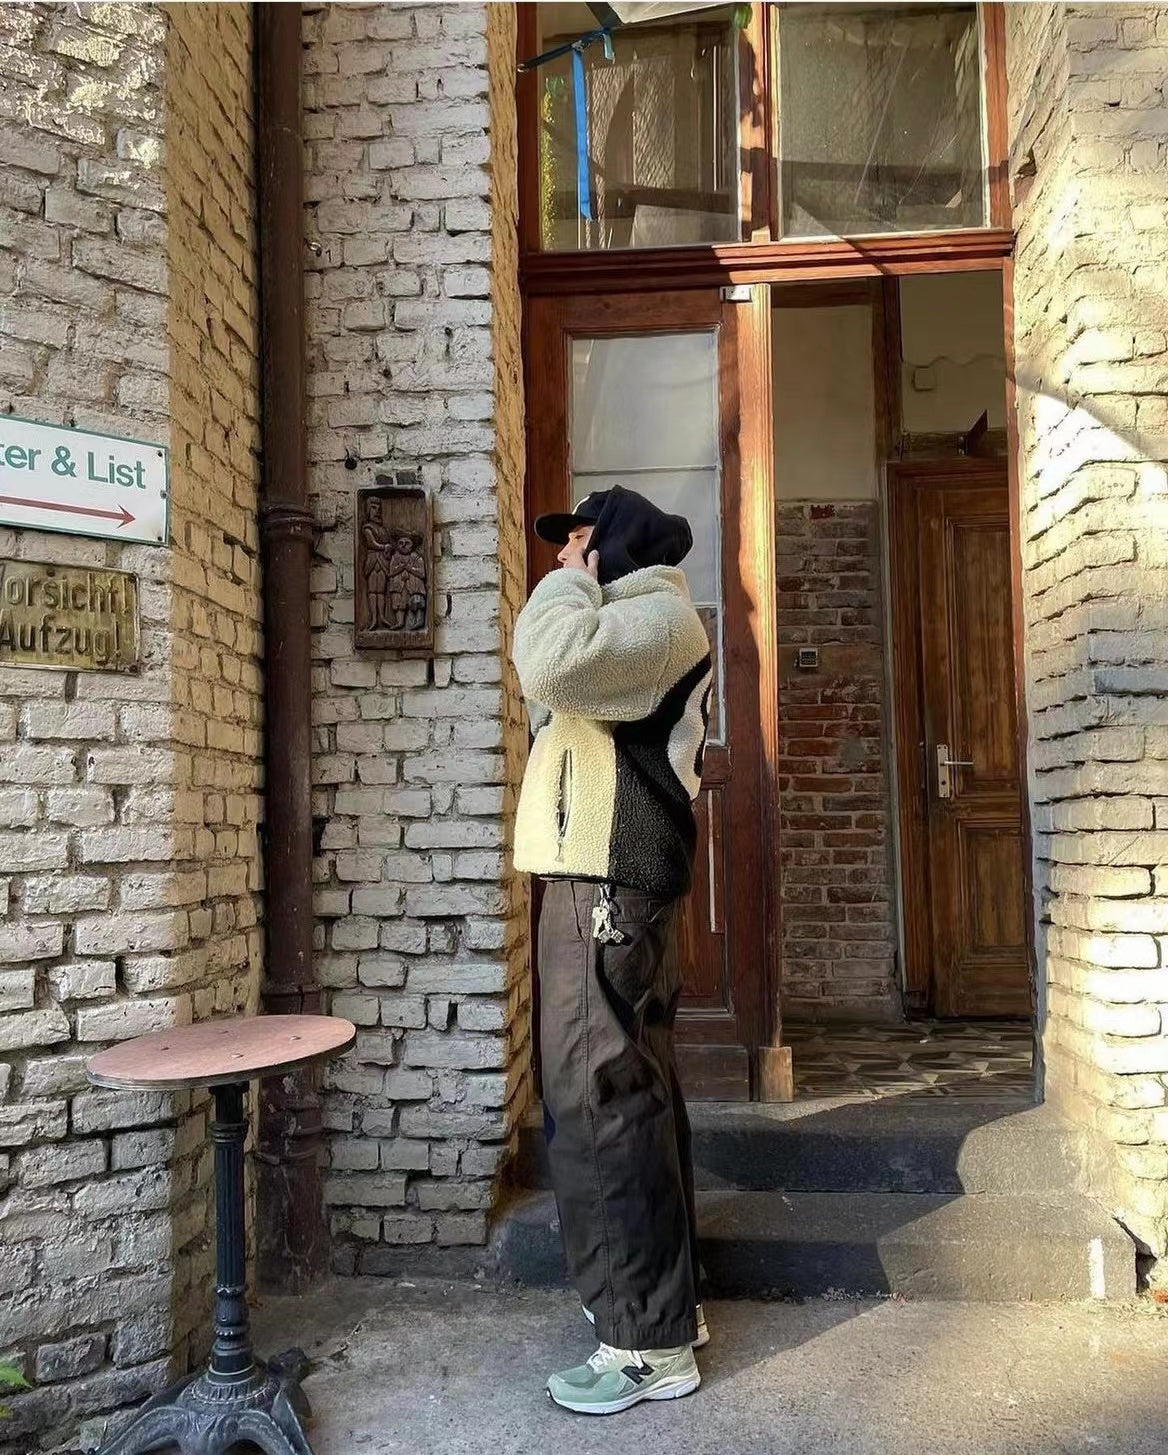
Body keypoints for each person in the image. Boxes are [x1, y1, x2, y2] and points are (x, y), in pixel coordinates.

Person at [511, 485, 714, 1416]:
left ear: (615, 544)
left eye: (578, 542)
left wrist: (568, 588)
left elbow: (547, 663)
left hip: (608, 884)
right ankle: (666, 1311)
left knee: (599, 1103)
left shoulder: (656, 619)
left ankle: (642, 1344)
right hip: (599, 880)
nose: (562, 558)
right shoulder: (631, 623)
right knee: (632, 1096)